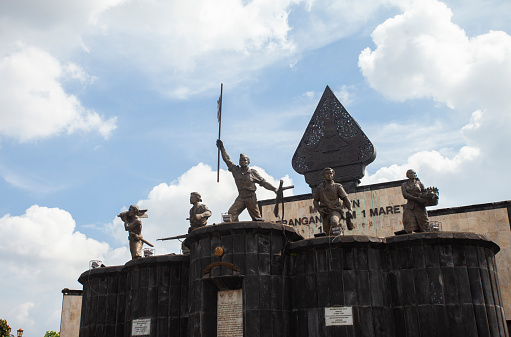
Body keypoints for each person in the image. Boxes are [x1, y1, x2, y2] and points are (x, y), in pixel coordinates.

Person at [216, 139, 277, 221]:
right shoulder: (236, 170)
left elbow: (264, 183)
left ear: (248, 162)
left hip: (251, 198)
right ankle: (235, 230)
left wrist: (274, 189)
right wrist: (222, 148)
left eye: (244, 160)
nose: (242, 161)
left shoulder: (253, 173)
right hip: (241, 197)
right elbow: (227, 159)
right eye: (241, 160)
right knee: (231, 214)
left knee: (257, 219)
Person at [313, 167, 354, 235]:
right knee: (327, 231)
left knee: (334, 222)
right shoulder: (319, 188)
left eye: (331, 173)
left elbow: (345, 199)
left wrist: (350, 209)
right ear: (323, 175)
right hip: (325, 212)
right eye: (327, 174)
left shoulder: (337, 186)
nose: (329, 175)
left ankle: (338, 240)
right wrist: (319, 209)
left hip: (335, 211)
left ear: (333, 175)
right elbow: (315, 201)